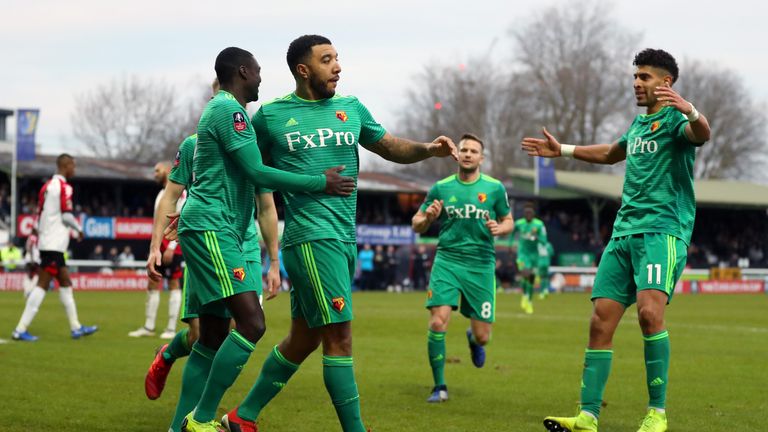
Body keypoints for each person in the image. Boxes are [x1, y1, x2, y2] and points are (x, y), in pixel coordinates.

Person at [219, 35, 457, 432]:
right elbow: (244, 167)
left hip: (343, 237)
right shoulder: (271, 116)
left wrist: (428, 150)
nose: (338, 66)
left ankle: (242, 417)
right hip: (311, 239)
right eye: (327, 60)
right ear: (303, 70)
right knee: (340, 339)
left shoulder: (351, 107)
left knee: (303, 339)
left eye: (337, 58)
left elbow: (391, 146)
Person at [147, 46, 355, 432]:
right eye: (257, 72)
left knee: (209, 335)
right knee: (252, 323)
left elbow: (257, 194)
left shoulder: (228, 114)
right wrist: (319, 182)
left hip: (217, 230)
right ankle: (203, 418)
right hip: (214, 230)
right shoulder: (230, 111)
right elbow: (258, 172)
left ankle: (182, 426)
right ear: (243, 71)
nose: (261, 78)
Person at [522, 48, 710, 432]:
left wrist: (690, 110)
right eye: (635, 77)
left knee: (649, 314)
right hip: (623, 234)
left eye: (645, 77)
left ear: (666, 83)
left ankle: (657, 413)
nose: (637, 83)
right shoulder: (638, 126)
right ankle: (588, 416)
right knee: (599, 322)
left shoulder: (677, 120)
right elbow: (611, 154)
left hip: (662, 232)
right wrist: (564, 151)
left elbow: (702, 134)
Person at [411, 133, 513, 402]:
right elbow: (417, 223)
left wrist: (500, 228)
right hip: (447, 261)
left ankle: (473, 338)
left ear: (481, 158)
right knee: (437, 321)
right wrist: (428, 219)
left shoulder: (494, 188)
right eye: (464, 149)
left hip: (480, 265)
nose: (468, 154)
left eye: (473, 151)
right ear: (457, 155)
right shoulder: (441, 188)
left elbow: (509, 220)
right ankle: (439, 387)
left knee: (483, 337)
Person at [11, 154, 98, 341]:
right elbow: (66, 216)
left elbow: (39, 214)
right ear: (66, 166)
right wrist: (79, 229)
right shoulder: (64, 187)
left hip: (48, 241)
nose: (74, 170)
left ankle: (76, 327)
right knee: (42, 285)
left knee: (65, 282)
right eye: (73, 166)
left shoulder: (46, 187)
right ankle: (20, 329)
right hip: (54, 244)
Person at [129, 161, 186, 339]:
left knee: (174, 283)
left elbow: (181, 221)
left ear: (169, 171)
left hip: (172, 246)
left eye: (157, 170)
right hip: (159, 246)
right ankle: (149, 326)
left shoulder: (181, 193)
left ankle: (170, 329)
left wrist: (171, 247)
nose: (155, 174)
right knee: (152, 282)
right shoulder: (162, 193)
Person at [514, 203, 548, 314]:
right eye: (526, 212)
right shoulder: (519, 223)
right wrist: (510, 245)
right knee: (525, 273)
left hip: (534, 255)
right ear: (524, 213)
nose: (528, 214)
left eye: (530, 212)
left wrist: (536, 236)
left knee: (530, 279)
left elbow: (544, 241)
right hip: (522, 254)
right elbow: (511, 233)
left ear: (534, 213)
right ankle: (525, 296)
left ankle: (528, 299)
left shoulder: (539, 225)